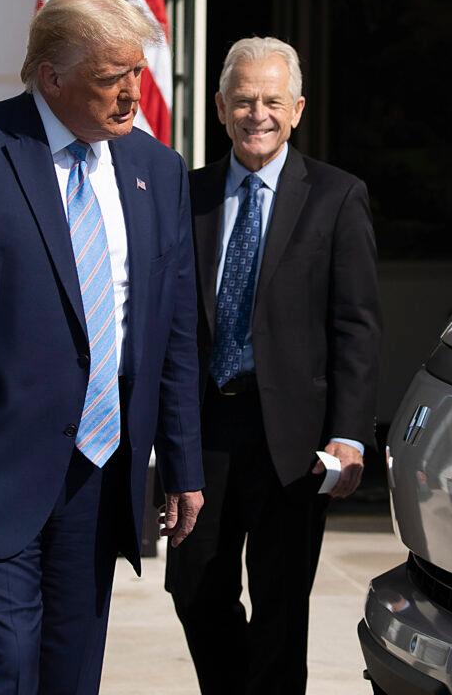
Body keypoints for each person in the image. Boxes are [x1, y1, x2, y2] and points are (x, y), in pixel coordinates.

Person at [0, 0, 204, 694]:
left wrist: (182, 462)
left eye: (138, 75)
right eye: (112, 77)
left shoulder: (158, 170)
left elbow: (169, 330)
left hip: (101, 475)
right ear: (52, 76)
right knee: (3, 672)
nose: (130, 95)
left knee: (69, 676)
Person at [164, 37, 382, 694]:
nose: (257, 113)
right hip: (204, 431)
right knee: (195, 586)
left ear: (297, 111)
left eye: (271, 101)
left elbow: (357, 325)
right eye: (243, 100)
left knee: (282, 605)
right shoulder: (186, 194)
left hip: (295, 440)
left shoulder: (337, 198)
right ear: (220, 108)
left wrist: (349, 435)